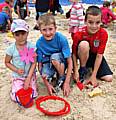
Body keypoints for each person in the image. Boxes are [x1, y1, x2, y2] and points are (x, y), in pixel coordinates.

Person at [72, 6, 113, 87]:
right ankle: (83, 69)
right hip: (82, 54)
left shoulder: (103, 34)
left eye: (97, 22)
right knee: (84, 45)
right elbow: (73, 54)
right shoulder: (79, 33)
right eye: (90, 22)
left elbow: (99, 55)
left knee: (109, 78)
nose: (94, 26)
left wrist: (93, 76)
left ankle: (91, 70)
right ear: (85, 21)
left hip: (95, 56)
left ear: (101, 22)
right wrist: (76, 70)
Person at [36, 14, 72, 96]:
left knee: (54, 57)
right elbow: (40, 65)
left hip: (61, 61)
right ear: (40, 30)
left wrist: (66, 82)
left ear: (55, 28)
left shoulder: (62, 39)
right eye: (44, 30)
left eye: (50, 29)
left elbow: (70, 62)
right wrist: (47, 84)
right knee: (45, 73)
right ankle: (55, 76)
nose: (48, 33)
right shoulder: (39, 43)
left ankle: (62, 77)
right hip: (49, 63)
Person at [5, 19, 38, 101]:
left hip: (30, 75)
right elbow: (7, 62)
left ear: (27, 33)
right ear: (13, 34)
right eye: (17, 34)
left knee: (32, 95)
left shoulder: (31, 47)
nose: (21, 37)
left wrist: (29, 77)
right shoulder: (11, 49)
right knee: (17, 97)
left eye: (23, 33)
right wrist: (16, 70)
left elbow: (34, 63)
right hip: (18, 76)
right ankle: (15, 85)